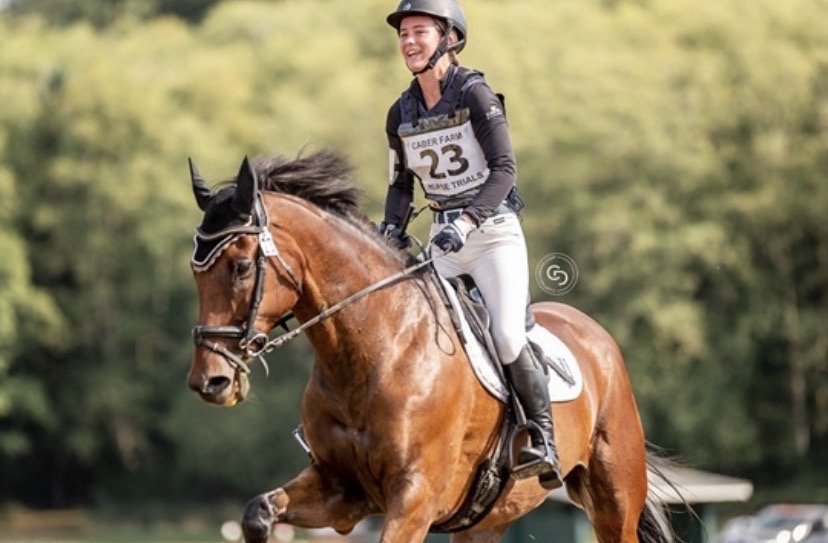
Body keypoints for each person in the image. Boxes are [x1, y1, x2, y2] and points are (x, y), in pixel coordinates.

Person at [379, 0, 559, 481]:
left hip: (493, 233)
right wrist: (390, 229)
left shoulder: (476, 95)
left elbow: (505, 170)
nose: (409, 41)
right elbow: (401, 186)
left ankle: (542, 437)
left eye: (420, 31)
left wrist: (468, 222)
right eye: (404, 34)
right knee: (414, 332)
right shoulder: (400, 112)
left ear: (448, 38)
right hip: (443, 240)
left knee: (504, 333)